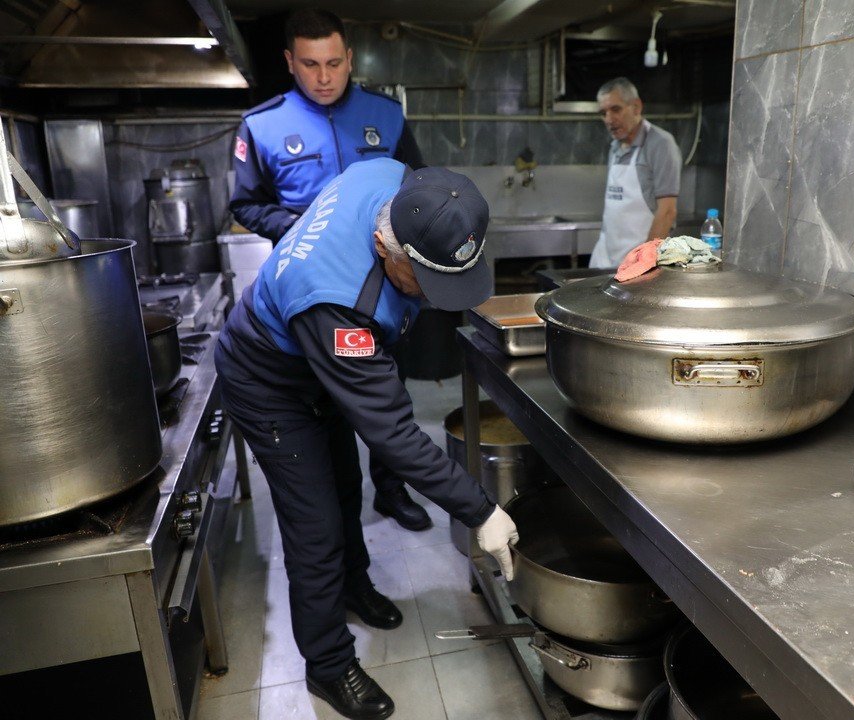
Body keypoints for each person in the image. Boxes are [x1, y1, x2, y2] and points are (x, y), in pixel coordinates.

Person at [215, 158, 519, 720]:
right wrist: (480, 510)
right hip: (270, 383)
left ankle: (353, 586)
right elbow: (395, 435)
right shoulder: (342, 305)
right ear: (384, 245)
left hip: (318, 366)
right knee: (316, 527)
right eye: (424, 282)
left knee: (345, 484)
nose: (431, 297)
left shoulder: (395, 180)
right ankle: (328, 665)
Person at [229, 8, 431, 532]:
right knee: (328, 407)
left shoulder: (385, 115)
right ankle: (339, 511)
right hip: (316, 296)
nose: (323, 77)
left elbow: (420, 187)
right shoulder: (263, 124)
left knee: (390, 394)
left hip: (386, 288)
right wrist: (301, 224)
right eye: (311, 64)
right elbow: (245, 204)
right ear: (290, 61)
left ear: (350, 59)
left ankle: (391, 490)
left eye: (334, 63)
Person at [589, 77, 683, 269]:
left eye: (615, 109)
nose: (609, 119)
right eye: (603, 113)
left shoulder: (661, 144)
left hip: (638, 263)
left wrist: (643, 265)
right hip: (605, 258)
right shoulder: (614, 147)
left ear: (636, 107)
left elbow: (667, 212)